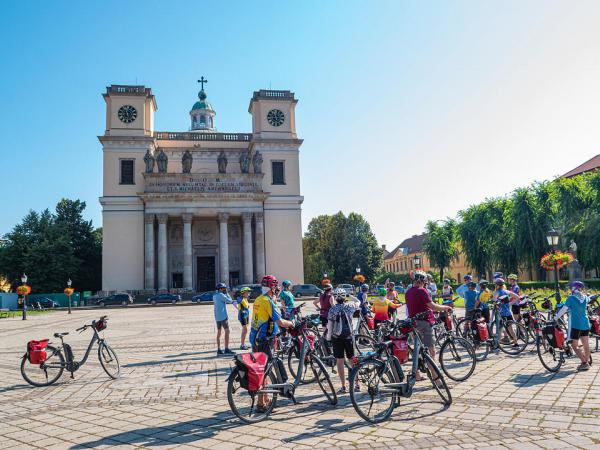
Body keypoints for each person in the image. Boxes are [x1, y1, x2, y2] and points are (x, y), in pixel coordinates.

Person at [250, 275, 294, 412]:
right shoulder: (268, 302)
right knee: (265, 371)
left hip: (255, 338)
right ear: (270, 287)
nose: (276, 288)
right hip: (265, 339)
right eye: (274, 286)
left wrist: (275, 296)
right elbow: (280, 322)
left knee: (262, 370)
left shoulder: (259, 299)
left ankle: (265, 400)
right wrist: (292, 323)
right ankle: (261, 404)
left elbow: (268, 309)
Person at [405, 271, 452, 382]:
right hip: (424, 323)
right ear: (424, 281)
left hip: (413, 323)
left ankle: (416, 374)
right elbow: (432, 306)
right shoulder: (422, 291)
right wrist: (445, 307)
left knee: (417, 350)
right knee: (431, 351)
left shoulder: (408, 292)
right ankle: (436, 379)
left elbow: (417, 306)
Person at [325, 288, 361, 393]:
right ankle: (357, 385)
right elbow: (358, 302)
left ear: (335, 298)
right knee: (352, 359)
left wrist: (328, 338)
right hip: (349, 336)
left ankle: (344, 386)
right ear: (344, 297)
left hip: (337, 337)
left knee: (340, 361)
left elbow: (330, 326)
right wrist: (350, 296)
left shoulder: (332, 310)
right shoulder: (350, 306)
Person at [555, 281, 592, 371]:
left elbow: (564, 309)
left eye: (571, 287)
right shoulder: (585, 297)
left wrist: (556, 318)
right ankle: (586, 362)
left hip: (576, 324)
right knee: (586, 344)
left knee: (574, 345)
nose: (570, 289)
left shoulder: (571, 298)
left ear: (574, 288)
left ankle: (584, 362)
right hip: (585, 324)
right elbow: (588, 300)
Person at [492, 278, 520, 346]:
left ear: (497, 285)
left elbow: (494, 301)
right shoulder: (507, 291)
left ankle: (497, 345)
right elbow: (517, 297)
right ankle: (516, 343)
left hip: (501, 313)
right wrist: (510, 303)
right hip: (508, 313)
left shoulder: (497, 292)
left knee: (499, 329)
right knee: (510, 329)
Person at [213, 283, 236, 356]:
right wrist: (227, 293)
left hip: (217, 317)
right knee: (227, 331)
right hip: (223, 316)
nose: (225, 289)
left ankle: (219, 349)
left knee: (219, 332)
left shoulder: (215, 296)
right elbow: (229, 300)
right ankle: (226, 348)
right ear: (220, 289)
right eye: (223, 288)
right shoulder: (221, 295)